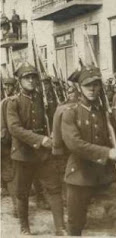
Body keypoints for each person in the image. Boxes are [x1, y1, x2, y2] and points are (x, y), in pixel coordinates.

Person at [60, 65, 116, 236]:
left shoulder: (103, 113)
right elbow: (74, 144)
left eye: (96, 85)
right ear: (79, 87)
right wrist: (107, 153)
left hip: (105, 174)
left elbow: (113, 137)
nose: (92, 89)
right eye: (87, 85)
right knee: (75, 223)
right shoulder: (70, 112)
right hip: (79, 175)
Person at [6, 62, 66, 236]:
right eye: (27, 77)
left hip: (43, 154)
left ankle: (60, 227)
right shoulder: (13, 102)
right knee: (22, 192)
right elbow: (15, 129)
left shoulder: (41, 98)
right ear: (19, 80)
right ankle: (24, 227)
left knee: (54, 188)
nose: (31, 80)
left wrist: (54, 133)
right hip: (23, 154)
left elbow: (51, 117)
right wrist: (40, 140)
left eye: (33, 77)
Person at [1, 77, 17, 216]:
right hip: (5, 142)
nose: (7, 88)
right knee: (9, 173)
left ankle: (17, 206)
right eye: (5, 86)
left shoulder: (13, 101)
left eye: (9, 86)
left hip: (12, 141)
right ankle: (16, 205)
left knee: (13, 173)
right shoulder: (4, 101)